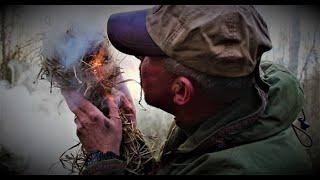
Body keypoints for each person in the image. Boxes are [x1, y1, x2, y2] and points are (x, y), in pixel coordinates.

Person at [61, 5, 314, 175]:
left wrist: (102, 160)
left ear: (181, 91)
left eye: (147, 54)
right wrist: (127, 141)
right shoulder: (224, 107)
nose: (138, 56)